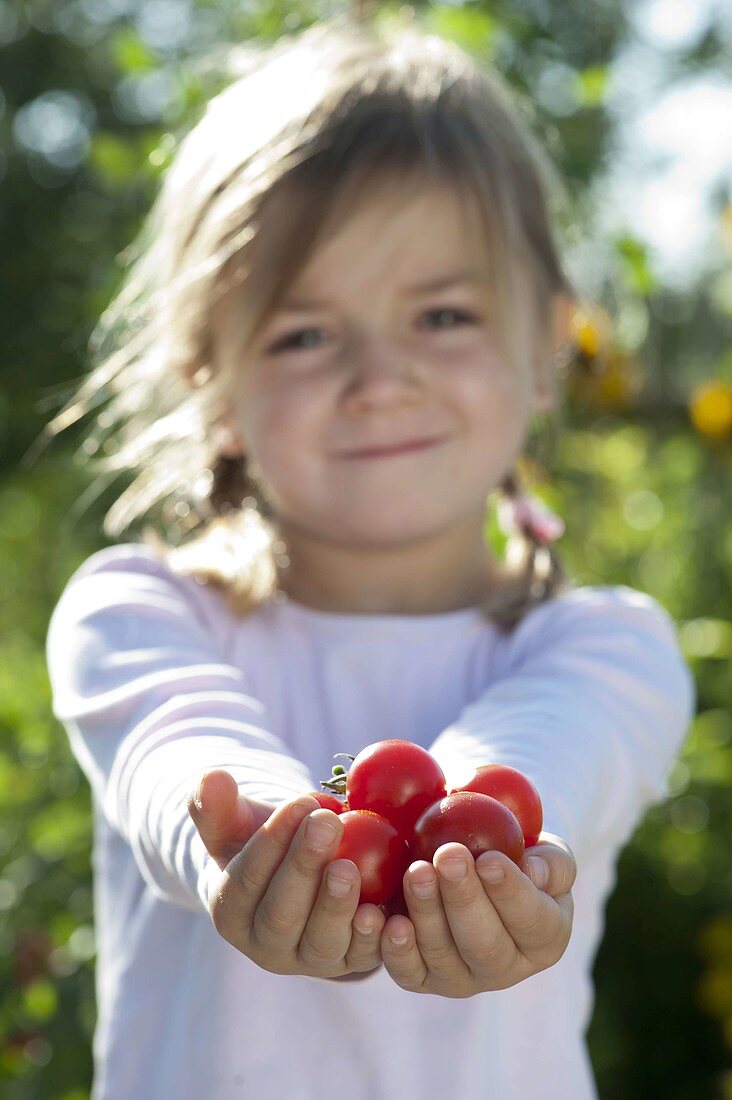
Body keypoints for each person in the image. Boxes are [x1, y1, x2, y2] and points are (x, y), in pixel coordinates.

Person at [44, 12, 696, 1100]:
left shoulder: (607, 645)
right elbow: (181, 746)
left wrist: (482, 844)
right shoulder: (138, 612)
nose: (380, 376)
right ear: (212, 385)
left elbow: (538, 757)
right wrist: (257, 832)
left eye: (442, 314)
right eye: (306, 333)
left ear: (549, 348)